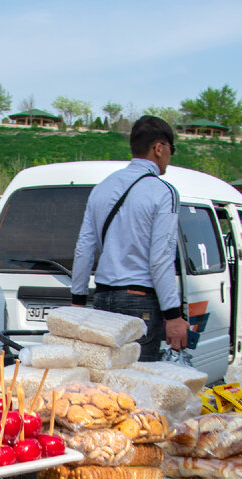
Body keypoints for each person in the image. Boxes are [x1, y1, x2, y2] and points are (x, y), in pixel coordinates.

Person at [70, 116, 187, 361]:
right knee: (141, 384)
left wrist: (78, 301)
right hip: (140, 302)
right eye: (171, 150)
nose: (169, 157)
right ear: (159, 148)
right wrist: (173, 315)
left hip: (102, 299)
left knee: (105, 381)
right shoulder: (164, 192)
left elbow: (84, 249)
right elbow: (161, 258)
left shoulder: (102, 188)